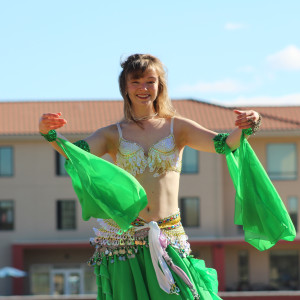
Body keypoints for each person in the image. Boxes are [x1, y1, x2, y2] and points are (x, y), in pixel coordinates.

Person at [39, 54, 261, 300]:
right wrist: (48, 134)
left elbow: (224, 145)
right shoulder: (112, 134)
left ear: (160, 86)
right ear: (125, 87)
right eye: (135, 81)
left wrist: (249, 125)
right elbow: (76, 154)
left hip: (168, 235)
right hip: (122, 240)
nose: (143, 88)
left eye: (150, 81)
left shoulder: (179, 128)